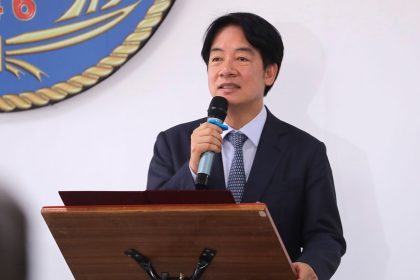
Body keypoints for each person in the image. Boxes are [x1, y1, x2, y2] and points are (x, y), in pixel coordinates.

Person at [147, 12, 346, 280]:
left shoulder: (306, 151)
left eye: (241, 57)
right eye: (216, 58)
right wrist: (192, 169)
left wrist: (311, 266)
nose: (226, 69)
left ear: (269, 73)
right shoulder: (173, 143)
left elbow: (326, 235)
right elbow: (151, 224)